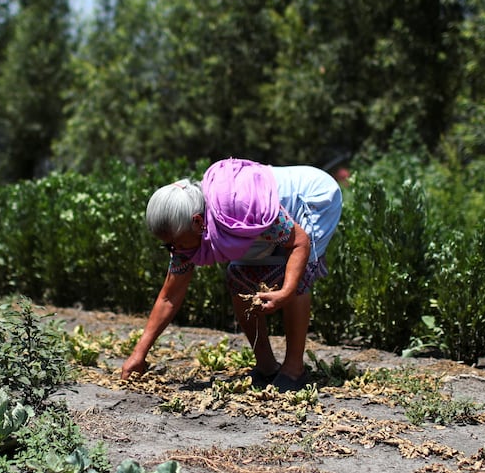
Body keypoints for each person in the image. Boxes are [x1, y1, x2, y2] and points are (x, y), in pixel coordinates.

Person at [122, 158, 343, 391]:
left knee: (298, 275)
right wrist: (139, 354)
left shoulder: (241, 207)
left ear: (197, 222)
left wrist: (286, 291)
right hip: (267, 220)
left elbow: (299, 243)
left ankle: (294, 369)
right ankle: (267, 365)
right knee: (238, 277)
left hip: (310, 197)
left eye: (173, 244)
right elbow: (169, 296)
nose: (174, 251)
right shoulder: (186, 233)